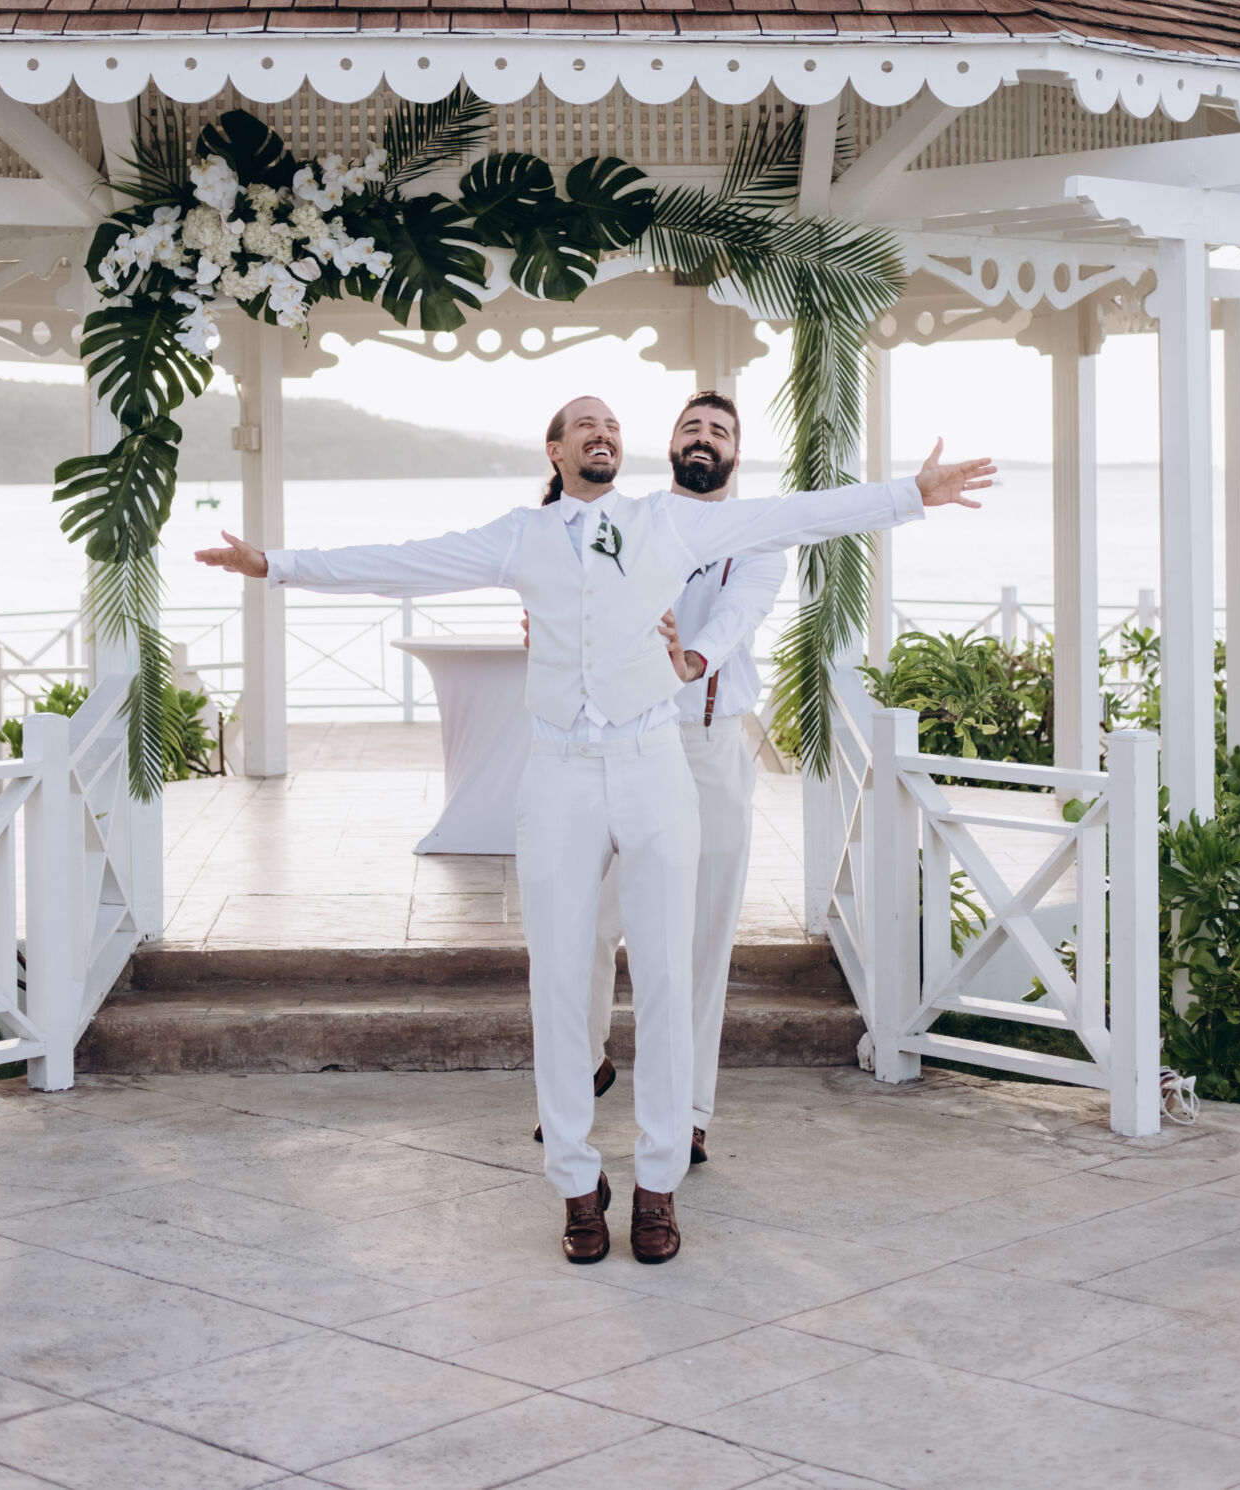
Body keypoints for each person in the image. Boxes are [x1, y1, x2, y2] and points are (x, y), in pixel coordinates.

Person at [197, 399, 994, 1268]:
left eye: (610, 422)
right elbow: (407, 562)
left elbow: (799, 515)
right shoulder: (521, 536)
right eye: (582, 423)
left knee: (665, 972)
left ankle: (658, 1182)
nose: (600, 431)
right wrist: (275, 565)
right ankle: (577, 1184)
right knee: (557, 972)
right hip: (559, 772)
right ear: (556, 449)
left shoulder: (668, 522)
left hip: (655, 765)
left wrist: (910, 494)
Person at [580, 389, 786, 1171]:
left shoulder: (758, 537)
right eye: (691, 427)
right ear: (671, 445)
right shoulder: (629, 522)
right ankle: (585, 1063)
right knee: (589, 919)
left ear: (735, 454)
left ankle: (689, 1110)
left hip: (708, 747)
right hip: (626, 744)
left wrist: (692, 658)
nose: (704, 438)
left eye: (719, 431)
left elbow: (739, 615)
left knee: (701, 941)